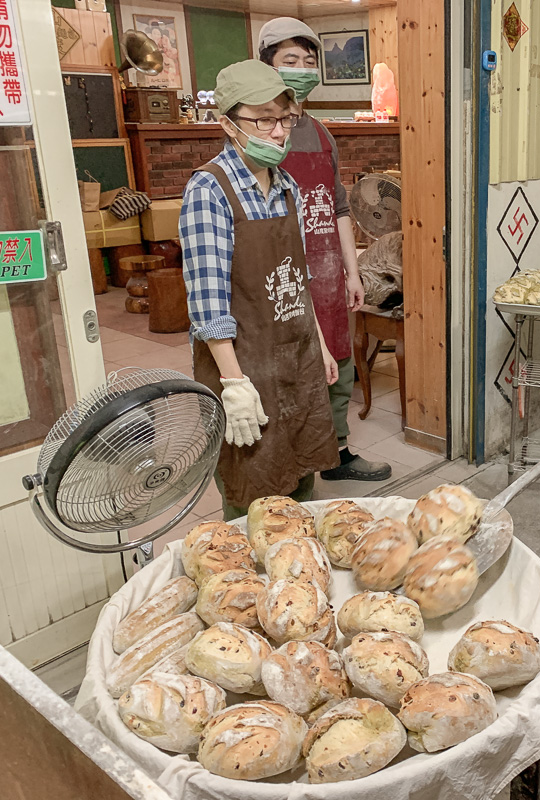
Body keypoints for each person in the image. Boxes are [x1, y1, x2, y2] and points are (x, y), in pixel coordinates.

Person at [180, 60, 340, 520]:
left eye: (284, 119)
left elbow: (298, 279)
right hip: (245, 368)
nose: (277, 132)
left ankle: (301, 583)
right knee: (254, 496)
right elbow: (208, 305)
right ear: (228, 123)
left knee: (302, 478)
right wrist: (233, 384)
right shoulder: (210, 191)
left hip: (296, 358)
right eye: (263, 119)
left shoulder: (288, 186)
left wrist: (322, 347)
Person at [256, 17, 393, 483]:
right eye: (289, 60)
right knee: (293, 369)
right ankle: (294, 461)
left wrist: (352, 272)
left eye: (308, 60)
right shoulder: (257, 135)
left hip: (329, 269)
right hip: (282, 274)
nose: (301, 68)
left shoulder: (322, 134)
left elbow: (336, 207)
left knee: (339, 360)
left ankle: (336, 454)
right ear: (266, 66)